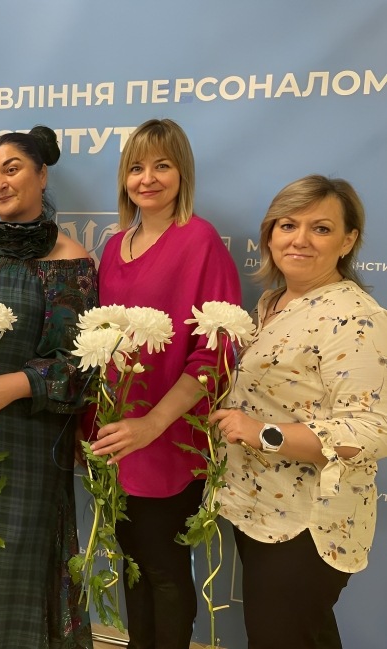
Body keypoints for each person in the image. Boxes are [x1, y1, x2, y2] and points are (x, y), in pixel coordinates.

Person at [85, 118, 241, 649]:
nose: (147, 178)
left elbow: (217, 353)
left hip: (168, 435)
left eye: (162, 166)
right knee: (133, 562)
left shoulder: (199, 240)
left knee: (165, 568)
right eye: (136, 167)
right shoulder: (114, 247)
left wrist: (153, 423)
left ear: (183, 173)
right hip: (118, 434)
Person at [212, 175, 387, 649]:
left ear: (348, 241)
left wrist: (263, 433)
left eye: (321, 228)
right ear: (270, 235)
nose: (300, 239)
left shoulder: (357, 317)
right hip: (261, 508)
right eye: (288, 225)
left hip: (308, 522)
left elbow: (372, 429)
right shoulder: (274, 301)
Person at [0, 126, 96, 648]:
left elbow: (80, 365)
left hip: (31, 439)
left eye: (12, 170)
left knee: (16, 563)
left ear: (42, 175)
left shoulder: (71, 262)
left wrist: (16, 384)